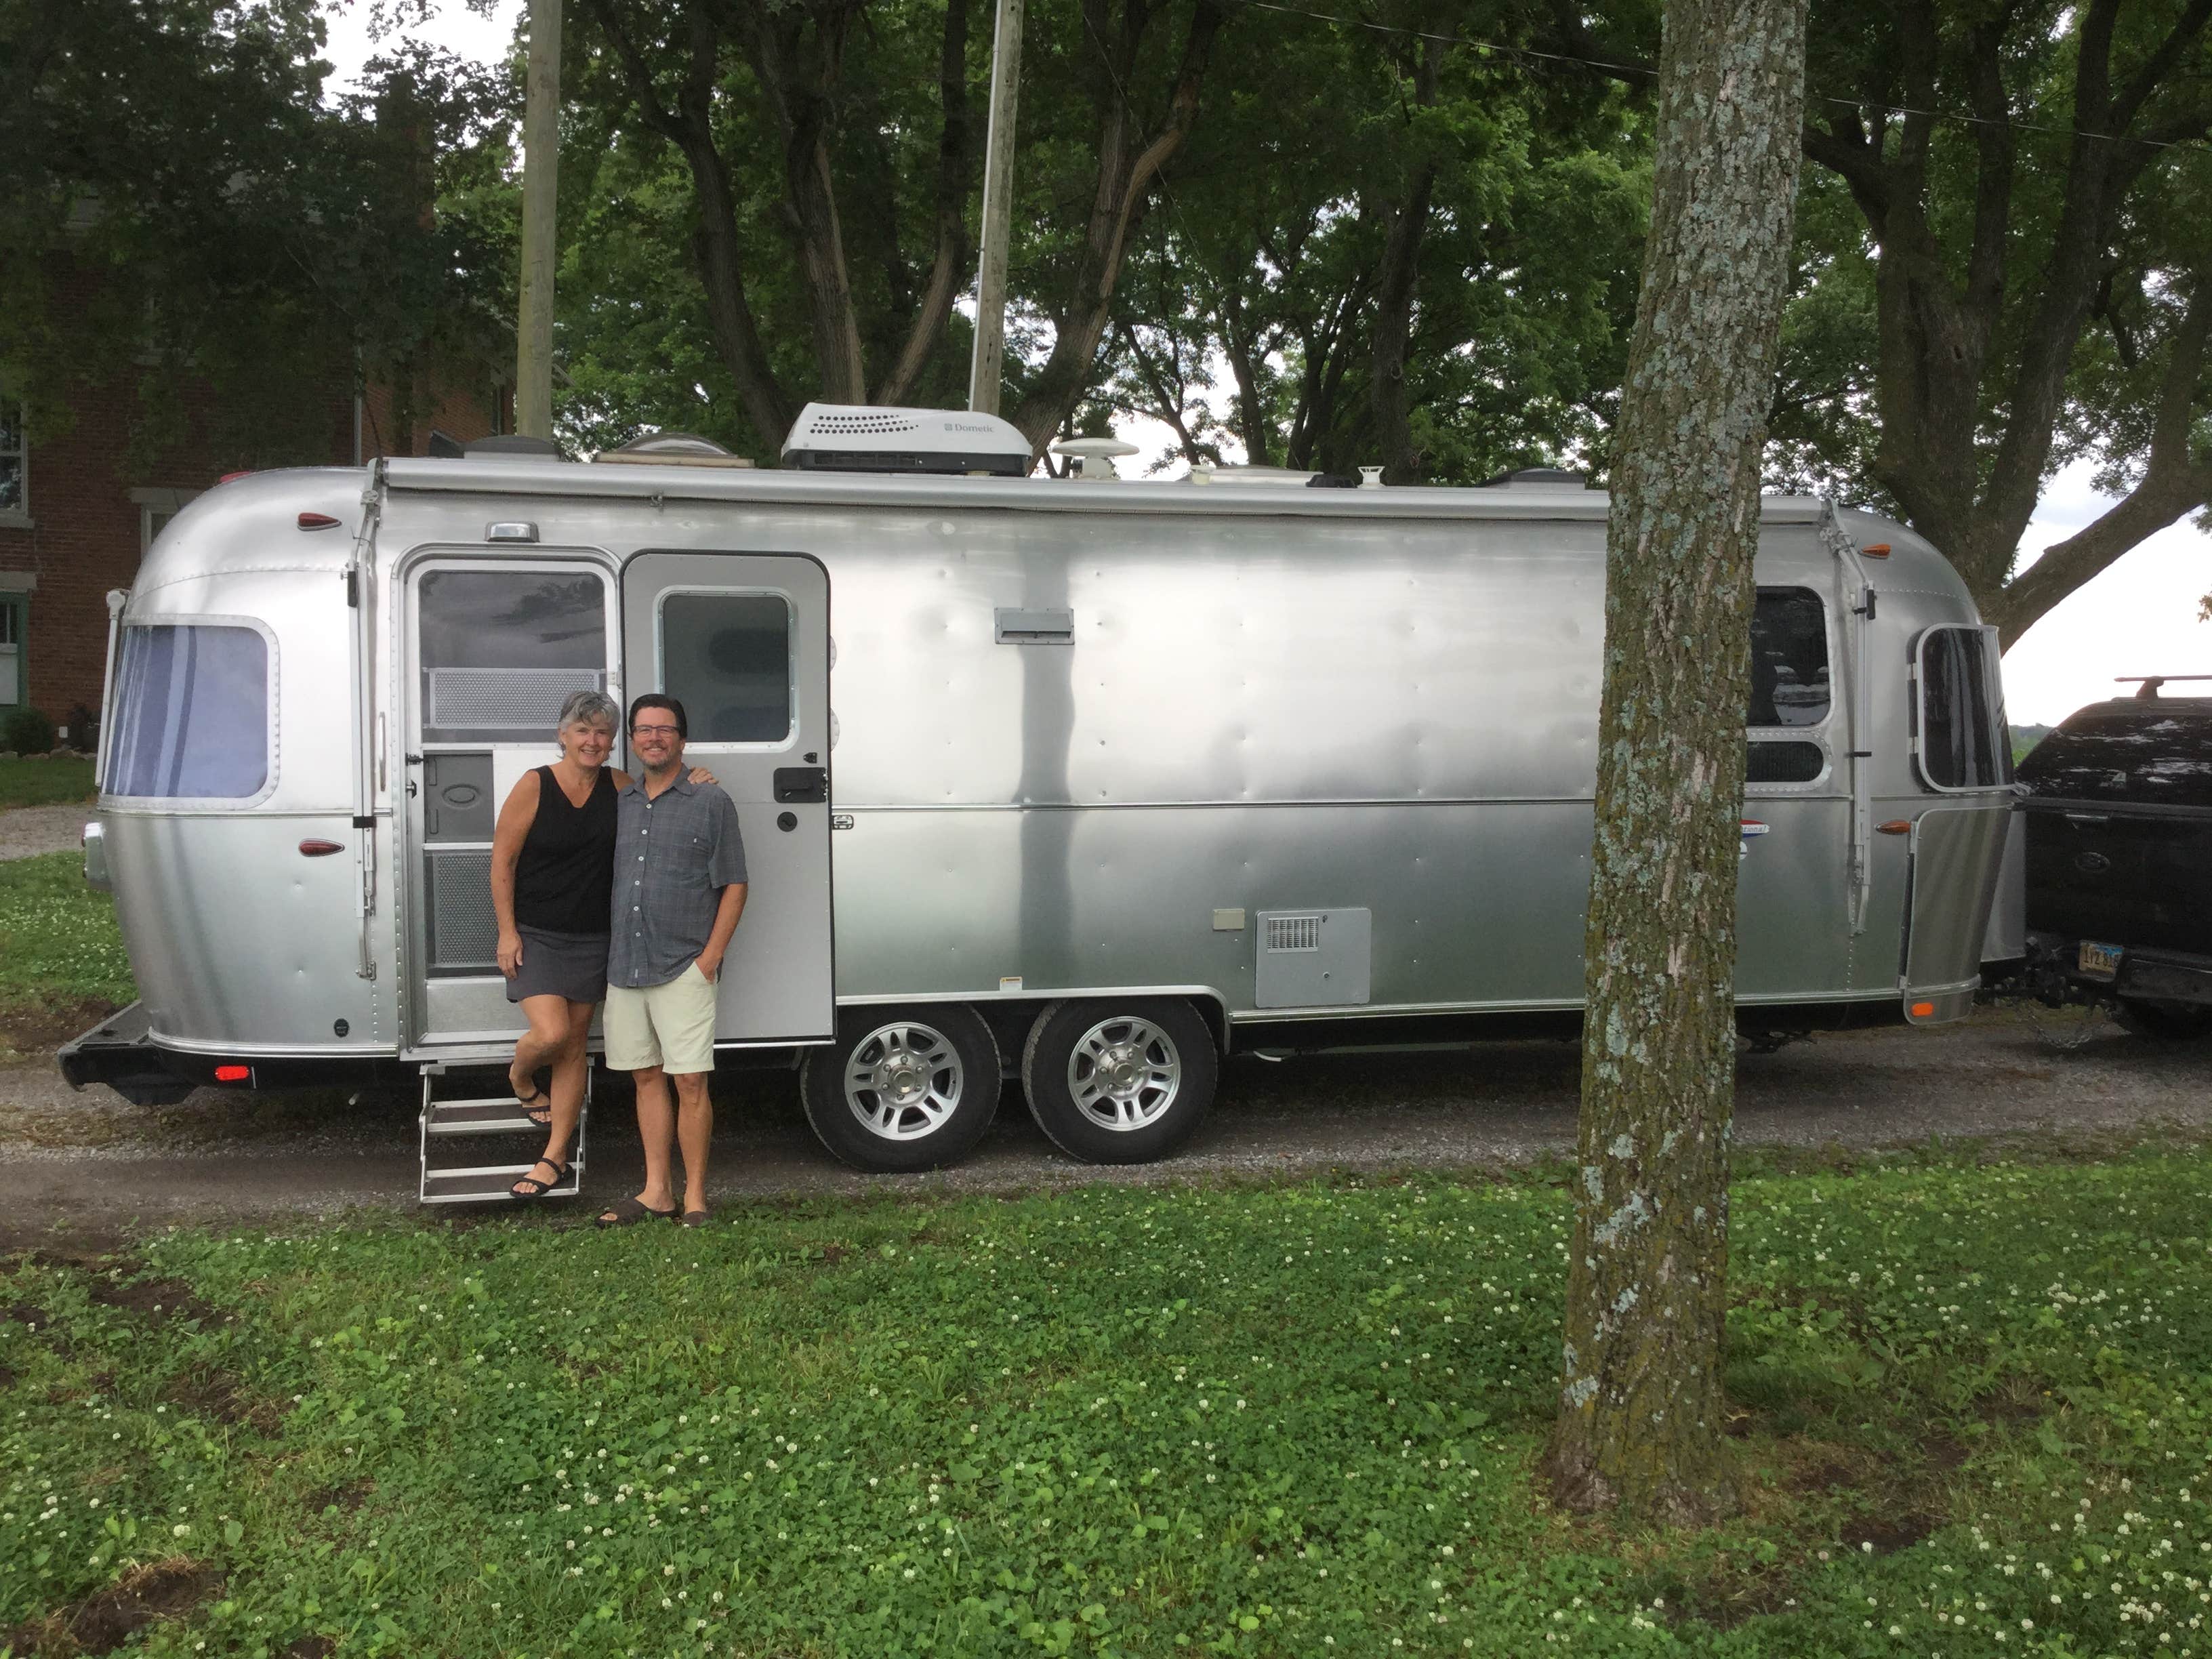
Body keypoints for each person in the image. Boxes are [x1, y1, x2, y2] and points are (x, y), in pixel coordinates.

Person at [489, 689, 710, 1202]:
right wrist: (507, 930)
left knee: (572, 1047)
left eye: (602, 732)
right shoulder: (535, 785)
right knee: (550, 1032)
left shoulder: (621, 787)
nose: (592, 740)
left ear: (614, 742)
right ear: (563, 735)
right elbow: (502, 860)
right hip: (537, 934)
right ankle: (520, 1077)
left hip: (595, 938)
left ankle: (554, 1156)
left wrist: (696, 778)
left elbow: (664, 798)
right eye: (582, 730)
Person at [597, 692, 747, 1227]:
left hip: (684, 964)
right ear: (633, 740)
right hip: (626, 965)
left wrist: (710, 958)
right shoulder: (621, 802)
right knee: (645, 1077)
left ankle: (696, 1197)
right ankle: (657, 1191)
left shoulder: (711, 801)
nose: (654, 738)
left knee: (690, 1082)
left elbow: (735, 884)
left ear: (682, 739)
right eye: (644, 729)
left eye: (665, 729)